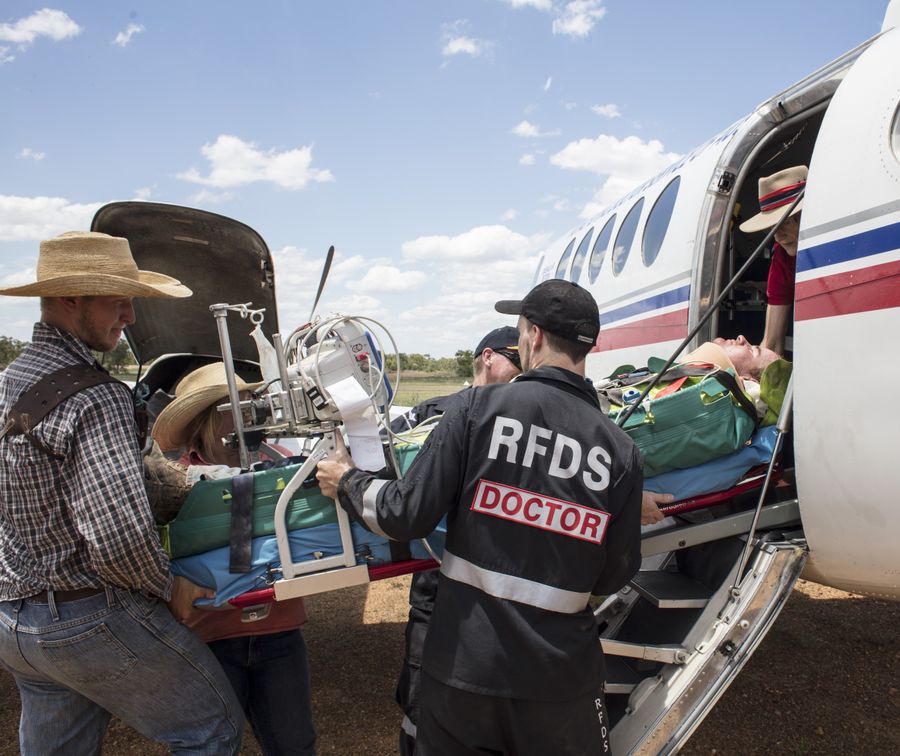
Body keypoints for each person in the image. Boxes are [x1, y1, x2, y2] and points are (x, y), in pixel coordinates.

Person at [317, 279, 643, 755]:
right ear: (588, 347)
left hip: (466, 667)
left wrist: (347, 481)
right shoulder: (621, 450)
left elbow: (406, 514)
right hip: (561, 676)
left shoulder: (473, 409)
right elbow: (616, 571)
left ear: (532, 336)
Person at [0, 231, 244, 754]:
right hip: (86, 618)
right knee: (211, 728)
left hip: (16, 622)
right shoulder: (97, 397)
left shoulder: (10, 380)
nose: (130, 317)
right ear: (72, 300)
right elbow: (118, 537)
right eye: (119, 301)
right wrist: (168, 585)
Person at [150, 362, 317, 756]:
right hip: (209, 638)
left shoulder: (280, 461)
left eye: (249, 406)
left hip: (278, 632)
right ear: (210, 418)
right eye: (236, 408)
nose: (249, 417)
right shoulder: (174, 480)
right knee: (209, 748)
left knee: (295, 745)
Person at [392, 326, 522, 755]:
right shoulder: (437, 410)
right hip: (440, 581)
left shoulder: (527, 419)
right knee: (423, 699)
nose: (525, 371)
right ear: (488, 357)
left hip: (502, 585)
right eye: (516, 361)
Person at [389, 326, 521, 435]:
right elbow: (380, 449)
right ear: (488, 357)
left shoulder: (524, 420)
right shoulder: (431, 412)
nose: (525, 369)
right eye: (518, 359)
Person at [739, 165, 806, 356]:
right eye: (771, 229)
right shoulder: (782, 255)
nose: (778, 237)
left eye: (784, 223)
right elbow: (772, 342)